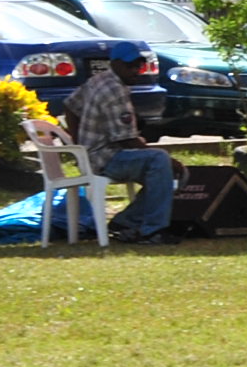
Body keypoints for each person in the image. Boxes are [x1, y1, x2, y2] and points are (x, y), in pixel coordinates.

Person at [60, 51, 177, 244]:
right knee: (160, 160)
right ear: (115, 63)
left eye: (138, 67)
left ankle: (125, 222)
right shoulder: (114, 90)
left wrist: (78, 144)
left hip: (93, 155)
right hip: (105, 158)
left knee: (161, 171)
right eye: (129, 66)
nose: (135, 71)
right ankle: (152, 231)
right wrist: (170, 161)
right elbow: (128, 140)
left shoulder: (97, 80)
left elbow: (69, 105)